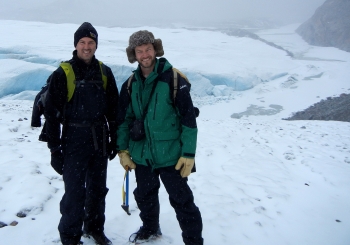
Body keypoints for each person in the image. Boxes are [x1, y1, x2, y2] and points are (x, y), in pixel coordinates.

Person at [116, 30, 204, 245]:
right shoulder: (130, 84)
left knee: (183, 201)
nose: (145, 54)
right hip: (142, 154)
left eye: (148, 49)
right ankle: (150, 228)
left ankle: (193, 241)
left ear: (155, 50)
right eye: (139, 51)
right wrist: (123, 150)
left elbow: (188, 118)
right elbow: (124, 120)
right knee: (144, 196)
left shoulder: (173, 78)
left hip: (171, 155)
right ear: (134, 55)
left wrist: (188, 153)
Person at [44, 22, 118, 245]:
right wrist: (54, 149)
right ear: (76, 45)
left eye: (91, 42)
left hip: (99, 139)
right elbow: (52, 115)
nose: (87, 47)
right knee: (74, 193)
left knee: (97, 190)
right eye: (82, 42)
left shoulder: (105, 72)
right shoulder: (63, 73)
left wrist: (114, 138)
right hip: (73, 139)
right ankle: (70, 236)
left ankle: (95, 229)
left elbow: (114, 110)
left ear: (96, 45)